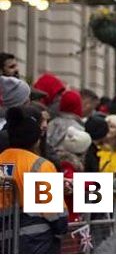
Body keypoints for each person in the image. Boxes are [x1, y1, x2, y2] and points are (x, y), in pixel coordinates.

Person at [0, 105, 69, 253]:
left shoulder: (2, 162)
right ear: (36, 139)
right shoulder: (40, 166)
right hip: (36, 243)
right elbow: (56, 215)